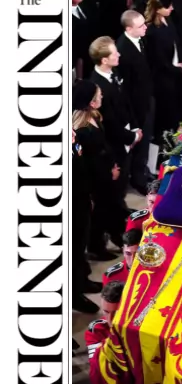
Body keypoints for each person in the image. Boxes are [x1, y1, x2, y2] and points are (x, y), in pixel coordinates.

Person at [72, 80, 125, 260]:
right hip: (95, 180)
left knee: (109, 208)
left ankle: (114, 237)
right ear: (91, 102)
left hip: (105, 174)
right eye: (98, 94)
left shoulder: (95, 117)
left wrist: (113, 166)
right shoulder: (80, 130)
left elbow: (103, 147)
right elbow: (87, 161)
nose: (102, 95)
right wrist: (108, 173)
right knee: (98, 215)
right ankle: (96, 247)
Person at [89, 36, 143, 208]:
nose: (119, 54)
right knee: (115, 187)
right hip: (115, 144)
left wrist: (135, 127)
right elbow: (109, 124)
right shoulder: (97, 86)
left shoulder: (115, 72)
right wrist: (132, 137)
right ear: (104, 60)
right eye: (114, 53)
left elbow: (126, 101)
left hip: (127, 134)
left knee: (124, 178)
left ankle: (121, 207)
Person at [145, 0, 182, 147]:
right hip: (164, 78)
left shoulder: (168, 19)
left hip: (176, 70)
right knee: (167, 111)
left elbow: (177, 41)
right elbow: (160, 62)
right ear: (157, 9)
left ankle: (175, 132)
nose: (171, 8)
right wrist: (177, 69)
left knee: (178, 105)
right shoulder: (152, 31)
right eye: (167, 6)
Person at [117, 10, 155, 194]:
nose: (145, 27)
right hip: (136, 108)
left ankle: (143, 169)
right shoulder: (123, 50)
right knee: (139, 143)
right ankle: (138, 179)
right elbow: (126, 89)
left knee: (146, 140)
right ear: (129, 28)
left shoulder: (140, 39)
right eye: (141, 26)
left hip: (147, 99)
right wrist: (133, 117)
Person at [71, 128, 100, 314]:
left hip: (80, 201)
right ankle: (73, 295)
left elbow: (82, 166)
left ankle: (80, 283)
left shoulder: (73, 138)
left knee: (79, 247)